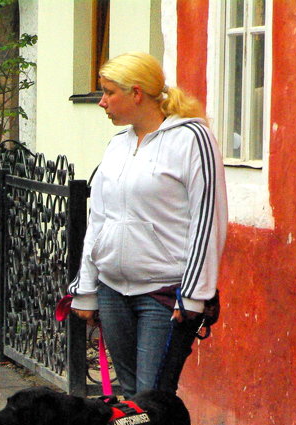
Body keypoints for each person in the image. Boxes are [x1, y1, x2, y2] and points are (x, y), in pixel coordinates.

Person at [69, 51, 227, 397]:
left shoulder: (192, 140)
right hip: (113, 292)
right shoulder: (116, 147)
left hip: (163, 294)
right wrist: (86, 288)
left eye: (109, 92)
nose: (102, 102)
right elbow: (98, 221)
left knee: (151, 399)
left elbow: (208, 219)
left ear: (136, 93)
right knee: (129, 396)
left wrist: (194, 295)